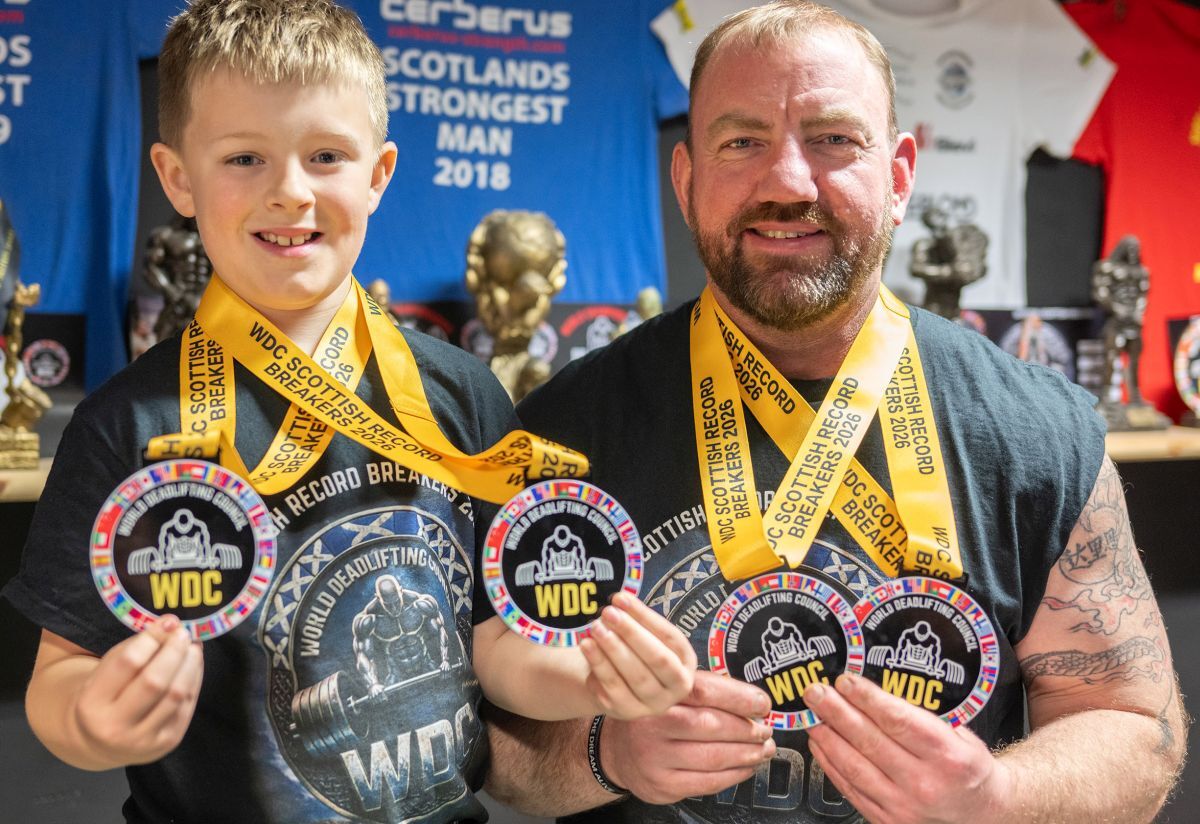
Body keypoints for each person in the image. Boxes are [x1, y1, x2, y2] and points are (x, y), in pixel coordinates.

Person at [490, 3, 1187, 823]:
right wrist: (609, 754)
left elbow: (1139, 728)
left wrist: (999, 797)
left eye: (833, 140)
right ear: (687, 181)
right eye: (742, 141)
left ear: (898, 178)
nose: (788, 183)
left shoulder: (1038, 432)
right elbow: (494, 744)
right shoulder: (561, 430)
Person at [2, 2, 693, 822]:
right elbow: (61, 673)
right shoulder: (132, 423)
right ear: (177, 178)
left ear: (379, 173)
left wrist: (589, 675)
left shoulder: (462, 394)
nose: (289, 191)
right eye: (244, 158)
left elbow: (495, 646)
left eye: (325, 155)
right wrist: (94, 719)